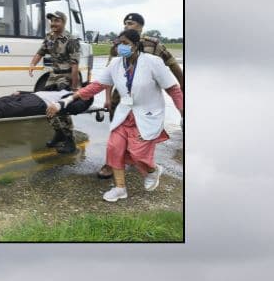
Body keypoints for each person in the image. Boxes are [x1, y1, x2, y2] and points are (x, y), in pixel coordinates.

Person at [47, 29, 183, 202]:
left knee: (138, 155)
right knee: (114, 148)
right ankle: (120, 188)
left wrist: (182, 112)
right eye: (119, 43)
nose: (121, 47)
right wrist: (67, 100)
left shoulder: (152, 62)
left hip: (148, 114)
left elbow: (173, 89)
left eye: (125, 43)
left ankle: (152, 170)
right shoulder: (116, 64)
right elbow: (96, 86)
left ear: (136, 45)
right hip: (124, 113)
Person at [97, 13, 185, 180]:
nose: (126, 26)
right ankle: (111, 164)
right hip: (121, 98)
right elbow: (109, 73)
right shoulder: (119, 44)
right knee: (117, 132)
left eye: (130, 23)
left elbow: (173, 65)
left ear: (140, 26)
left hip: (145, 99)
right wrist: (107, 98)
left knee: (140, 131)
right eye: (125, 23)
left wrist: (182, 86)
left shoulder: (154, 45)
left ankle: (135, 159)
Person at [28, 11, 81, 153]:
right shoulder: (49, 37)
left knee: (62, 109)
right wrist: (33, 64)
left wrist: (74, 88)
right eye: (51, 21)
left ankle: (70, 141)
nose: (53, 23)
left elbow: (75, 66)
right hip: (53, 76)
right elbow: (40, 52)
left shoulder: (71, 40)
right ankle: (58, 133)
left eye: (57, 21)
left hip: (67, 77)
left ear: (63, 22)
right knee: (44, 103)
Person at [0, 90, 95, 122]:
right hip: (31, 96)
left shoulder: (83, 99)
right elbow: (47, 91)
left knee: (2, 110)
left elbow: (75, 109)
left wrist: (63, 103)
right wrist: (23, 92)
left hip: (39, 104)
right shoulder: (69, 89)